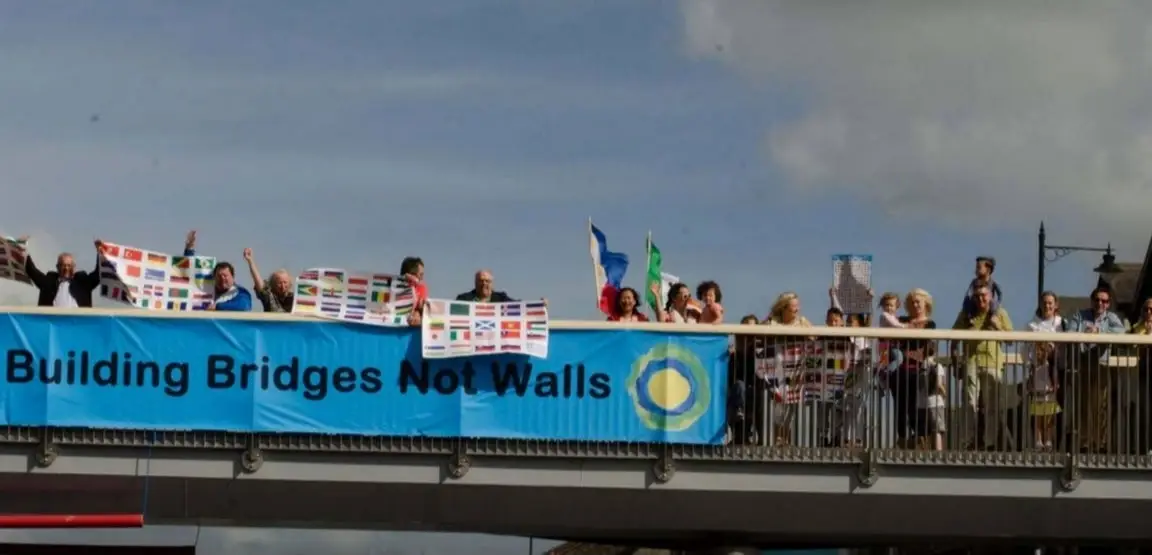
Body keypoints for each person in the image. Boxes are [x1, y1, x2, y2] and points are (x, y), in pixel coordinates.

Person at [20, 236, 104, 308]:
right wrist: (23, 249)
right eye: (63, 265)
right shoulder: (49, 281)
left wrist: (101, 252)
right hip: (53, 324)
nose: (66, 268)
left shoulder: (83, 282)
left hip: (78, 324)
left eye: (69, 265)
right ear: (57, 267)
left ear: (74, 267)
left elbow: (98, 274)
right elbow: (32, 271)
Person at [184, 231, 251, 312]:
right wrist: (189, 248)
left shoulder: (240, 292)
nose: (222, 278)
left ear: (233, 277)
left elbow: (244, 306)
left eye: (225, 275)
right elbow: (190, 272)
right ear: (214, 277)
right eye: (219, 276)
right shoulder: (207, 285)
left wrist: (218, 307)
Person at [242, 248, 294, 313]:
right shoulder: (269, 297)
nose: (283, 286)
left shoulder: (296, 299)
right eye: (279, 283)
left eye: (285, 282)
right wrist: (250, 261)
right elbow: (261, 286)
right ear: (273, 284)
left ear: (289, 283)